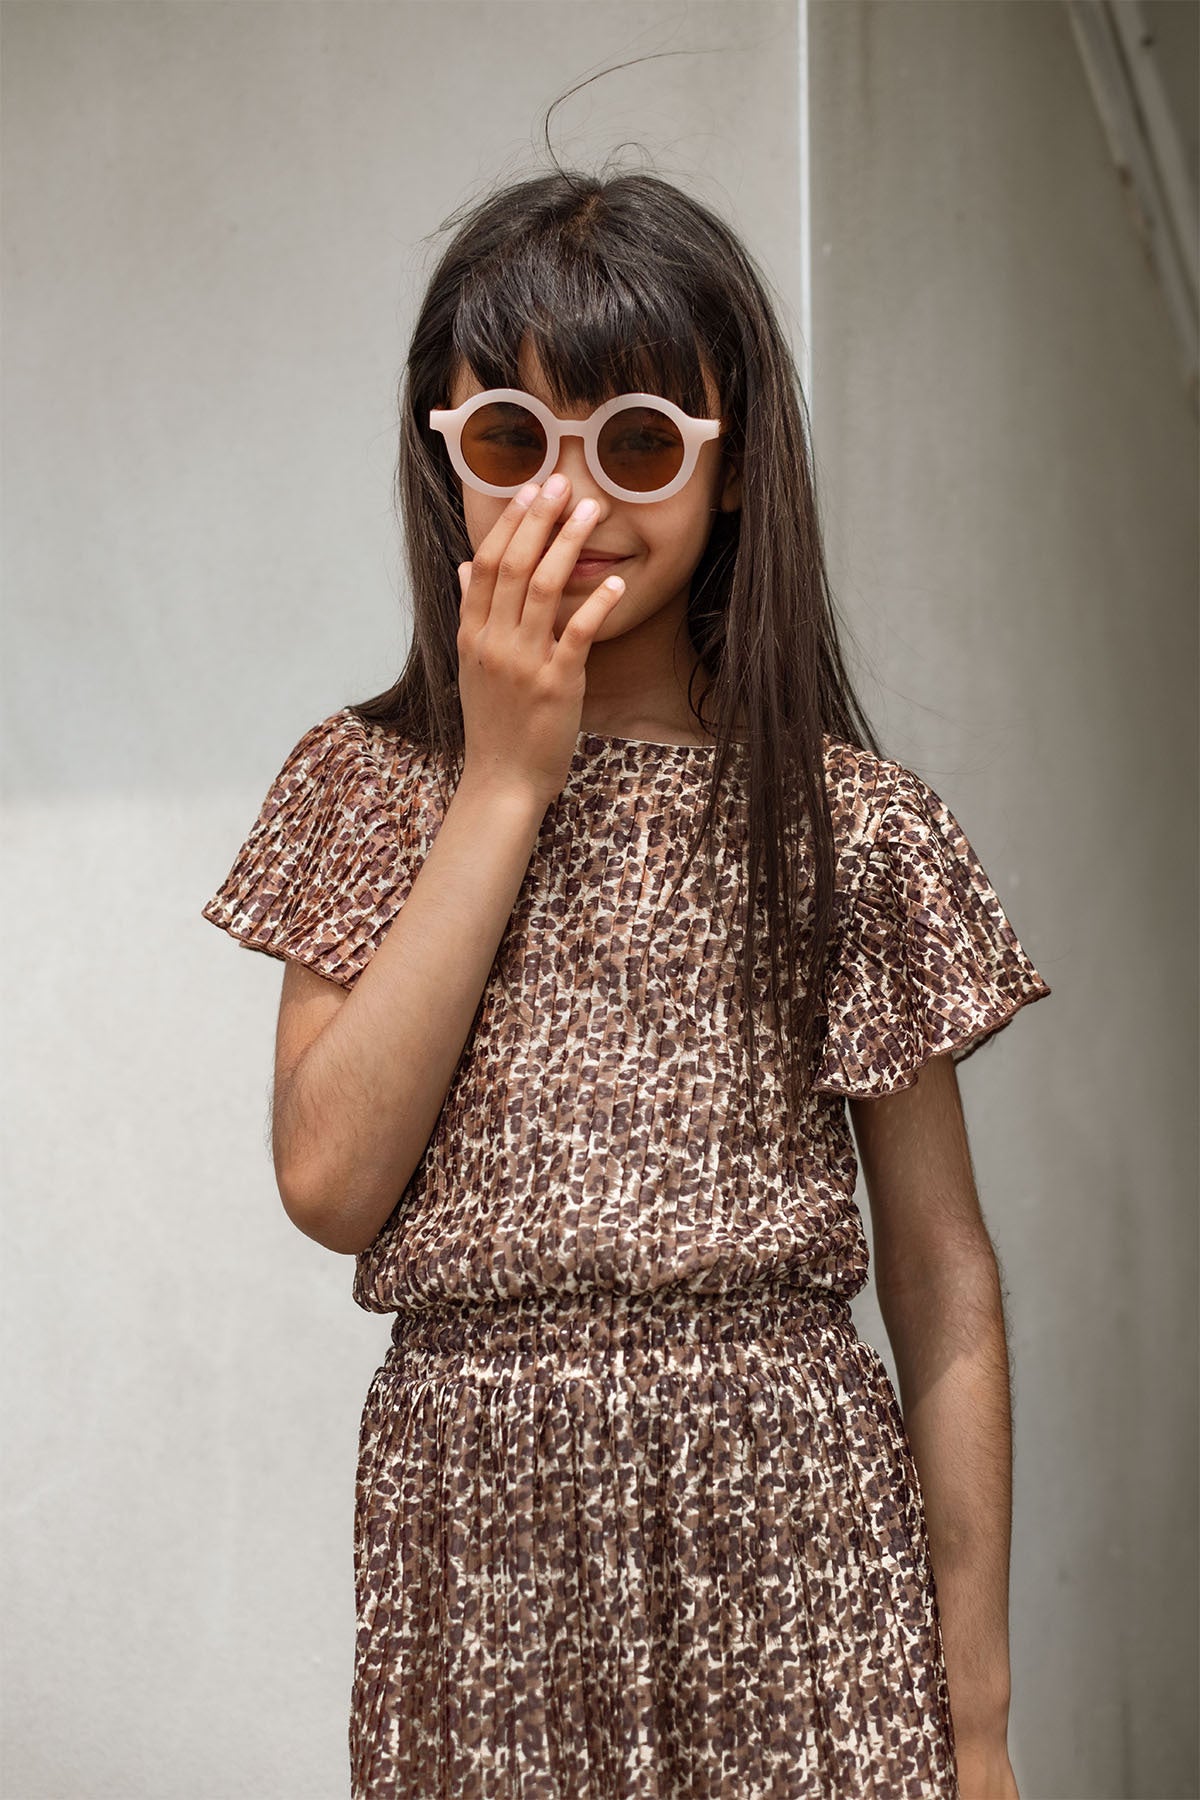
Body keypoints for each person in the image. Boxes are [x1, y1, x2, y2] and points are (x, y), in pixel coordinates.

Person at [201, 167, 1051, 1800]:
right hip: (485, 1540)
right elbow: (330, 1181)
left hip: (798, 1532)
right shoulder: (364, 789)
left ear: (730, 472)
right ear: (445, 457)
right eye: (515, 439)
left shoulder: (847, 825)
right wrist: (505, 780)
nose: (574, 497)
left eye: (642, 442)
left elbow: (943, 1277)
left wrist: (978, 1719)